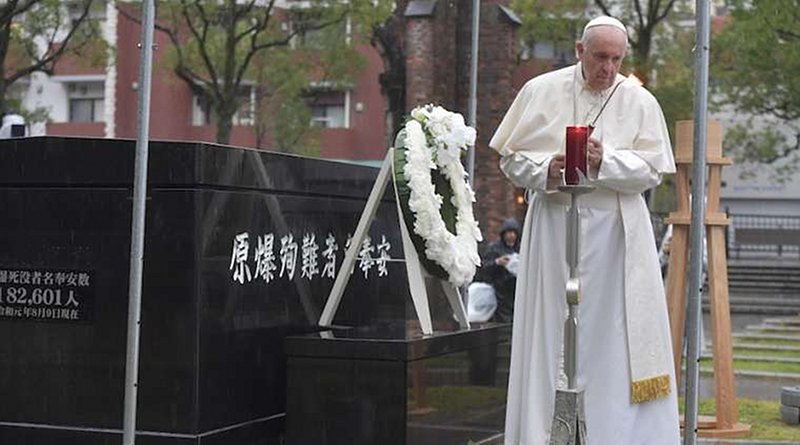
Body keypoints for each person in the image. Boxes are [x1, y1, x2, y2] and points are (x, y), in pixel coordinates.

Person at [489, 16, 680, 445]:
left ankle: (614, 435)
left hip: (615, 237)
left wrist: (604, 160)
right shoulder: (540, 91)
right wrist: (547, 169)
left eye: (616, 59)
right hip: (555, 226)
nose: (608, 69)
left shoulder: (640, 101)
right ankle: (544, 434)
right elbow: (510, 158)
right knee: (550, 330)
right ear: (579, 50)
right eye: (599, 57)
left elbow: (652, 170)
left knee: (613, 338)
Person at [480, 218, 520, 322]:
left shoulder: (519, 248)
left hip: (517, 292)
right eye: (509, 232)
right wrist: (497, 262)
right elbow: (484, 266)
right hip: (500, 294)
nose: (511, 236)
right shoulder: (495, 248)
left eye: (513, 233)